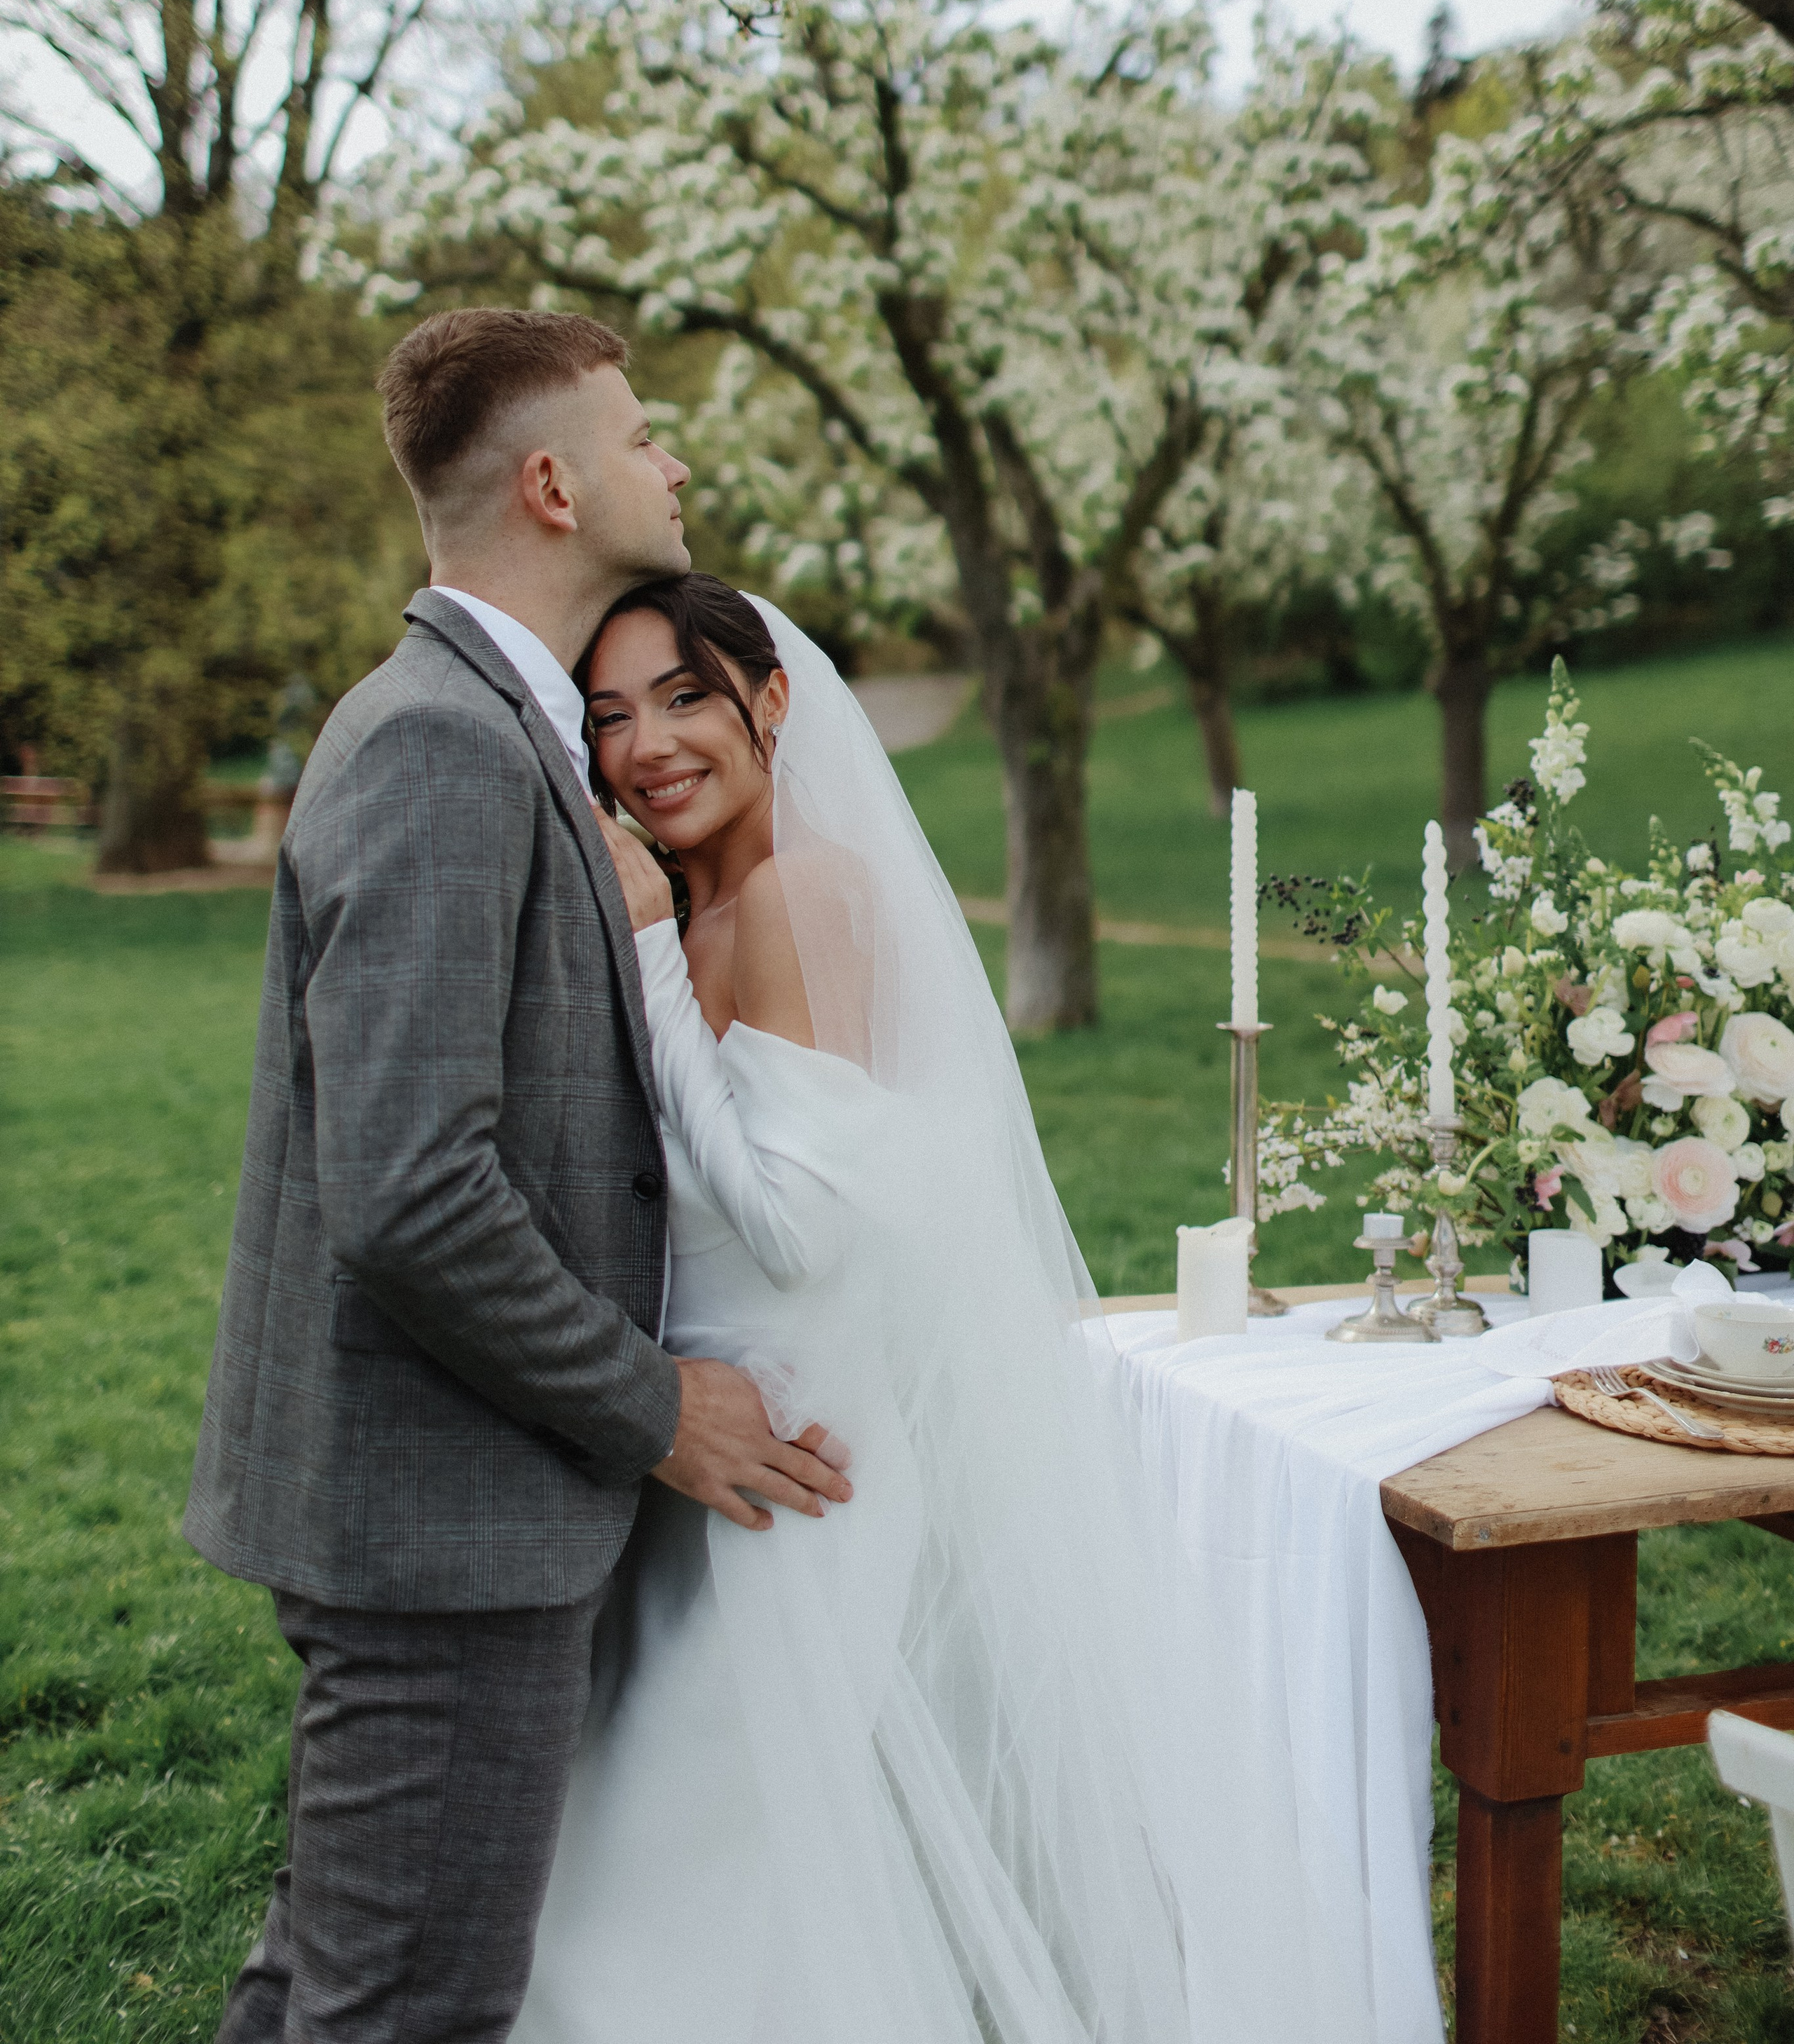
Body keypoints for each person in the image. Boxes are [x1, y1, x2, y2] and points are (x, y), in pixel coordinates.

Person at [184, 311, 849, 2044]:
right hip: (439, 1524)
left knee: (328, 1990)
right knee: (403, 2011)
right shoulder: (437, 745)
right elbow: (409, 1189)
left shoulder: (499, 727)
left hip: (442, 1510)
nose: (673, 462)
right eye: (641, 436)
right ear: (552, 483)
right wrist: (655, 1408)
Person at [512, 572, 1201, 2044]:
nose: (646, 747)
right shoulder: (702, 899)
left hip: (798, 1477)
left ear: (771, 703)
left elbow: (797, 1222)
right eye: (610, 715)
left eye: (685, 697)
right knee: (697, 1880)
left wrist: (641, 958)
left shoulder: (800, 891)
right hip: (691, 1457)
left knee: (667, 1887)